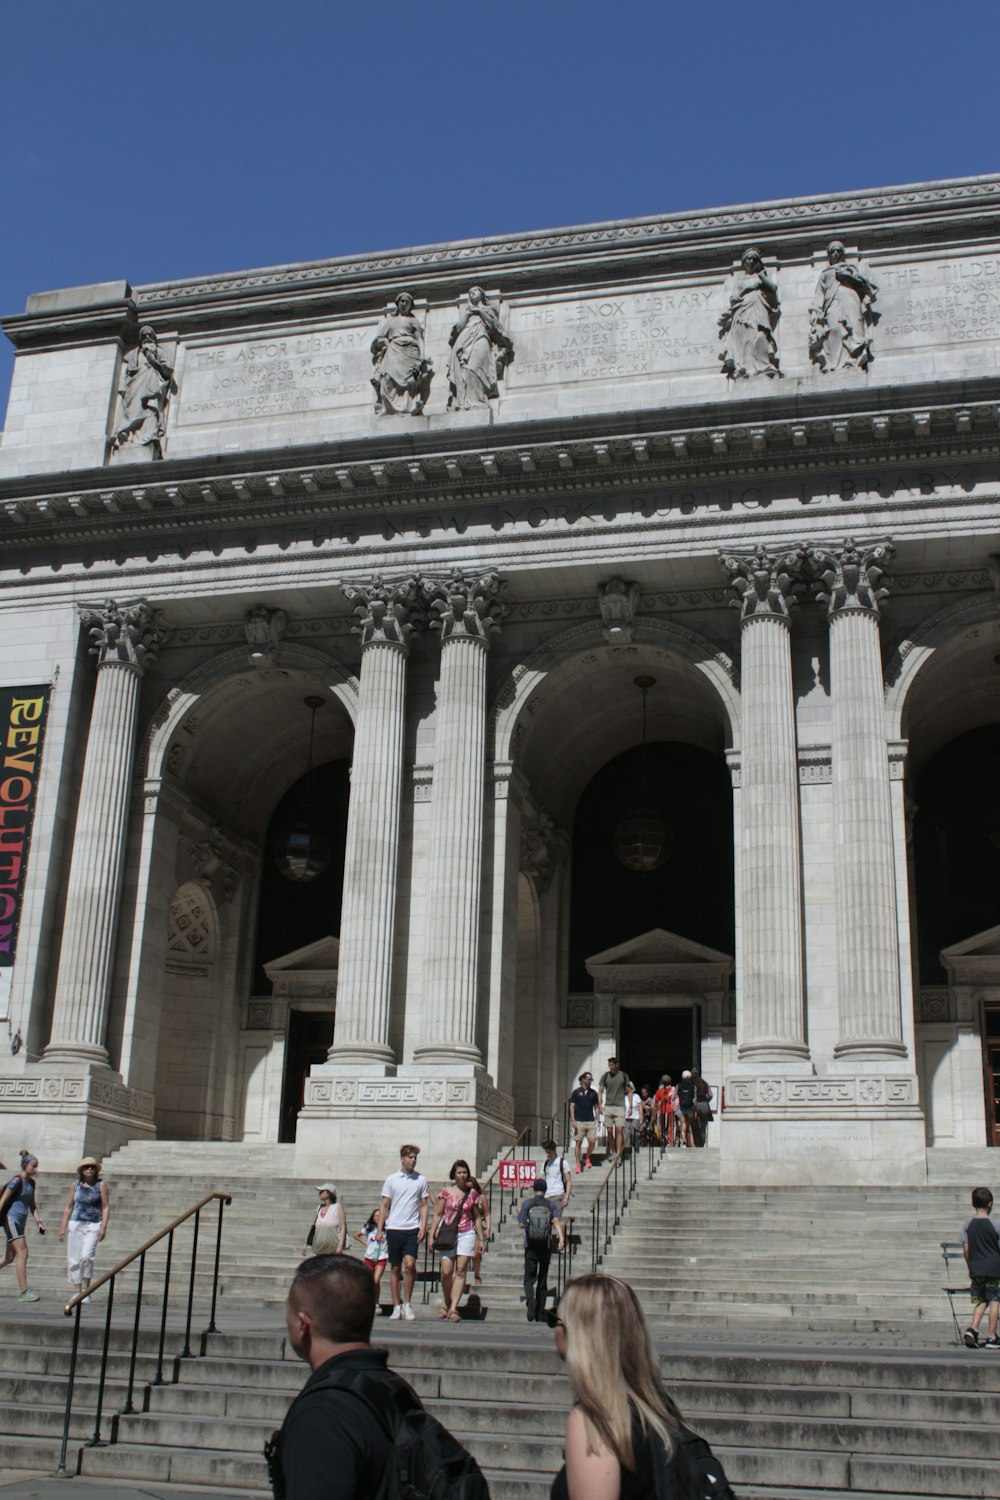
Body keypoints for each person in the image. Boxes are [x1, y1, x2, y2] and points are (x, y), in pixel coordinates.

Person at [550, 1274, 735, 1500]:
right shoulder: (656, 1409)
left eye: (557, 1322)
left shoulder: (595, 1420)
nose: (555, 1330)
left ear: (577, 1334)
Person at [375, 1144, 429, 1321]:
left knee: (410, 1264)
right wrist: (380, 1229)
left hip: (411, 1228)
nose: (413, 1160)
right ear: (402, 1158)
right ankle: (396, 1305)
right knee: (395, 1268)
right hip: (394, 1228)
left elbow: (423, 1205)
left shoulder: (421, 1179)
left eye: (415, 1158)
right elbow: (384, 1205)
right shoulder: (392, 1179)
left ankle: (407, 1303)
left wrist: (423, 1226)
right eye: (410, 1157)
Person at [428, 1159, 485, 1323]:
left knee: (460, 1269)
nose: (462, 1175)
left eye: (464, 1172)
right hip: (448, 1233)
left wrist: (481, 1238)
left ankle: (453, 1308)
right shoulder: (445, 1192)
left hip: (467, 1233)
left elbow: (476, 1217)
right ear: (454, 1174)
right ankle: (447, 1301)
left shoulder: (472, 1193)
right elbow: (438, 1214)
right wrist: (431, 1235)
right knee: (446, 1270)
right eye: (459, 1172)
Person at [809, 240, 878, 373]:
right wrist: (816, 313)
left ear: (842, 254)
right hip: (832, 303)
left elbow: (861, 284)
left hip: (850, 299)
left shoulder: (849, 268)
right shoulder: (825, 273)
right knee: (834, 329)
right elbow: (819, 294)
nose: (835, 253)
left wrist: (847, 276)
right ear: (829, 254)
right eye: (833, 251)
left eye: (838, 251)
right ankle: (834, 364)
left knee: (854, 327)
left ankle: (852, 360)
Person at [110, 325, 174, 458]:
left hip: (152, 386)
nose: (147, 338)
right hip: (135, 388)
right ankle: (128, 435)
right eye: (144, 336)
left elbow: (167, 371)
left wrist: (153, 361)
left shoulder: (161, 352)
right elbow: (127, 375)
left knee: (151, 409)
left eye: (150, 335)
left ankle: (149, 436)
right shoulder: (132, 354)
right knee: (132, 411)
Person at [718, 246, 781, 380]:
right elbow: (734, 298)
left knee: (759, 335)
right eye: (748, 258)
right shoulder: (741, 281)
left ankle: (762, 366)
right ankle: (746, 369)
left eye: (754, 259)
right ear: (744, 262)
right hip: (743, 311)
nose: (751, 261)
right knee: (745, 339)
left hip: (758, 308)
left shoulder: (761, 277)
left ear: (758, 261)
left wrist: (762, 277)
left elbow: (773, 289)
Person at [447, 286, 514, 409]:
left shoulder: (489, 309)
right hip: (463, 341)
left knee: (474, 367)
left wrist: (480, 312)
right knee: (464, 370)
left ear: (482, 294)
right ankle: (464, 402)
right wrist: (467, 314)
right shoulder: (467, 311)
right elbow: (458, 329)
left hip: (481, 337)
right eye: (470, 292)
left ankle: (477, 401)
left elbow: (493, 326)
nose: (472, 292)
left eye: (475, 290)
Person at [370, 291, 431, 414]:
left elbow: (419, 338)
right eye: (402, 301)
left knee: (411, 380)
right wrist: (384, 342)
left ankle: (410, 406)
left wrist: (423, 354)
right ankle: (389, 408)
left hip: (410, 351)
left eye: (407, 302)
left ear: (410, 305)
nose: (404, 304)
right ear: (397, 304)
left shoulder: (413, 320)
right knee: (387, 378)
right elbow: (378, 339)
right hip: (393, 350)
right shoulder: (390, 321)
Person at [58, 1156, 109, 1303]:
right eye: (87, 1167)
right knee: (74, 1258)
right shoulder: (75, 1185)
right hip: (76, 1222)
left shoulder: (101, 1185)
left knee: (86, 1256)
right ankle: (77, 1290)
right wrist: (63, 1226)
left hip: (93, 1223)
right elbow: (69, 1206)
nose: (90, 1169)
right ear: (82, 1170)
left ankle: (87, 1290)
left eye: (92, 1167)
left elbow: (105, 1207)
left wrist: (103, 1226)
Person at [517, 1177, 565, 1323]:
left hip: (530, 1245)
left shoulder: (527, 1204)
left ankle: (531, 1299)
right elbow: (556, 1221)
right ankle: (539, 1312)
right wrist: (561, 1239)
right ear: (545, 1190)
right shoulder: (551, 1205)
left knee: (528, 1278)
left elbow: (521, 1224)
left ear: (534, 1189)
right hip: (546, 1245)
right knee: (542, 1278)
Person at [0, 1150, 44, 1302]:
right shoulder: (15, 1181)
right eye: (33, 1166)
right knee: (23, 1253)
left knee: (8, 1258)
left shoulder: (31, 1183)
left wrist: (38, 1220)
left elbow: (31, 1204)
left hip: (21, 1221)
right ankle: (24, 1291)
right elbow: (3, 1200)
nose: (36, 1169)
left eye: (37, 1166)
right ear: (25, 1165)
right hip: (11, 1219)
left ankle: (24, 1291)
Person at [960, 1186, 1000, 1348]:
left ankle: (973, 1328)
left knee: (981, 1300)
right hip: (994, 1269)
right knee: (995, 1301)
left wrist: (970, 1266)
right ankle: (992, 1336)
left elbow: (966, 1248)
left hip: (976, 1269)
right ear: (989, 1204)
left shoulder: (967, 1224)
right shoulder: (995, 1225)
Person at [599, 1058, 633, 1163]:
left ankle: (618, 1154)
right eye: (609, 1065)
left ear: (616, 1065)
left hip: (620, 1106)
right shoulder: (605, 1076)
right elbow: (600, 1090)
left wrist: (630, 1105)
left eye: (612, 1065)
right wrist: (600, 1104)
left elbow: (629, 1090)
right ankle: (613, 1151)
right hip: (608, 1106)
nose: (610, 1067)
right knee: (609, 1130)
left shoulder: (623, 1075)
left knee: (619, 1130)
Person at [302, 1183, 346, 1258]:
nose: (320, 1193)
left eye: (322, 1191)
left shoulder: (338, 1207)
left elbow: (342, 1227)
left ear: (329, 1193)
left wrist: (340, 1246)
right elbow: (313, 1228)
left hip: (333, 1248)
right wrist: (306, 1243)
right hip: (319, 1247)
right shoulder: (319, 1208)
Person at [353, 1209, 389, 1297]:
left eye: (380, 1215)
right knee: (371, 1281)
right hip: (369, 1257)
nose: (378, 1217)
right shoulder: (369, 1228)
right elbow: (356, 1235)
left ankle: (376, 1302)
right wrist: (365, 1243)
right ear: (373, 1218)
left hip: (381, 1257)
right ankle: (374, 1301)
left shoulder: (387, 1228)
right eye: (376, 1216)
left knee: (376, 1280)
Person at [569, 1072, 600, 1172]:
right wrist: (573, 1120)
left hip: (590, 1121)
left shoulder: (593, 1093)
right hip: (579, 1121)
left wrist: (598, 1119)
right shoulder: (576, 1092)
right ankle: (578, 1164)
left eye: (591, 1079)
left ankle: (587, 1156)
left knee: (593, 1141)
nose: (590, 1081)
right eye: (589, 1079)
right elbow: (572, 1106)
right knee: (578, 1143)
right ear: (583, 1080)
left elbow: (596, 1107)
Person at [541, 1139, 573, 1215]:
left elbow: (569, 1181)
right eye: (546, 1151)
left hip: (558, 1194)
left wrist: (566, 1197)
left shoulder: (563, 1162)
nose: (548, 1153)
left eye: (549, 1151)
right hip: (547, 1195)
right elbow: (542, 1180)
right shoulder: (545, 1164)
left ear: (554, 1150)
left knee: (556, 1218)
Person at [691, 1068, 714, 1148]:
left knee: (694, 1125)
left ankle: (696, 1143)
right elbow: (710, 1095)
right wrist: (707, 1100)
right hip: (704, 1105)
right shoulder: (705, 1083)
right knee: (703, 1125)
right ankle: (703, 1142)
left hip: (695, 1105)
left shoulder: (691, 1083)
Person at [675, 1071, 696, 1148]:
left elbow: (674, 1097)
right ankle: (692, 1143)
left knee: (683, 1124)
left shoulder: (679, 1085)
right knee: (689, 1125)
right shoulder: (693, 1086)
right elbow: (695, 1098)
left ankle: (684, 1142)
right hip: (690, 1107)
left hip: (681, 1107)